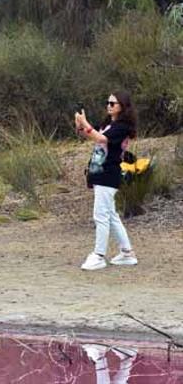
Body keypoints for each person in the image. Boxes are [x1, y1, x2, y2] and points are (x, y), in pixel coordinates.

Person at [75, 92, 138, 271]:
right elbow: (92, 135)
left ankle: (99, 255)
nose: (109, 105)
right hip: (99, 172)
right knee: (110, 215)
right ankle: (127, 253)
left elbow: (102, 139)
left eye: (113, 103)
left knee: (100, 215)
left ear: (122, 106)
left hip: (108, 174)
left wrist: (85, 124)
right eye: (108, 102)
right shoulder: (108, 124)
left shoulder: (122, 127)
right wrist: (80, 124)